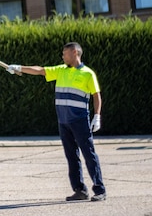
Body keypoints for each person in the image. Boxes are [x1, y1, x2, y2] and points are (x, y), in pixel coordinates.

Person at [7, 42, 106, 202]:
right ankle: (79, 190)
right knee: (71, 156)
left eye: (64, 53)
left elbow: (96, 95)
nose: (62, 56)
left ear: (74, 53)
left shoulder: (88, 74)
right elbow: (40, 70)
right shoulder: (61, 70)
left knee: (89, 154)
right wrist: (19, 68)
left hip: (80, 121)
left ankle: (100, 189)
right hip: (64, 121)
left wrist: (97, 116)